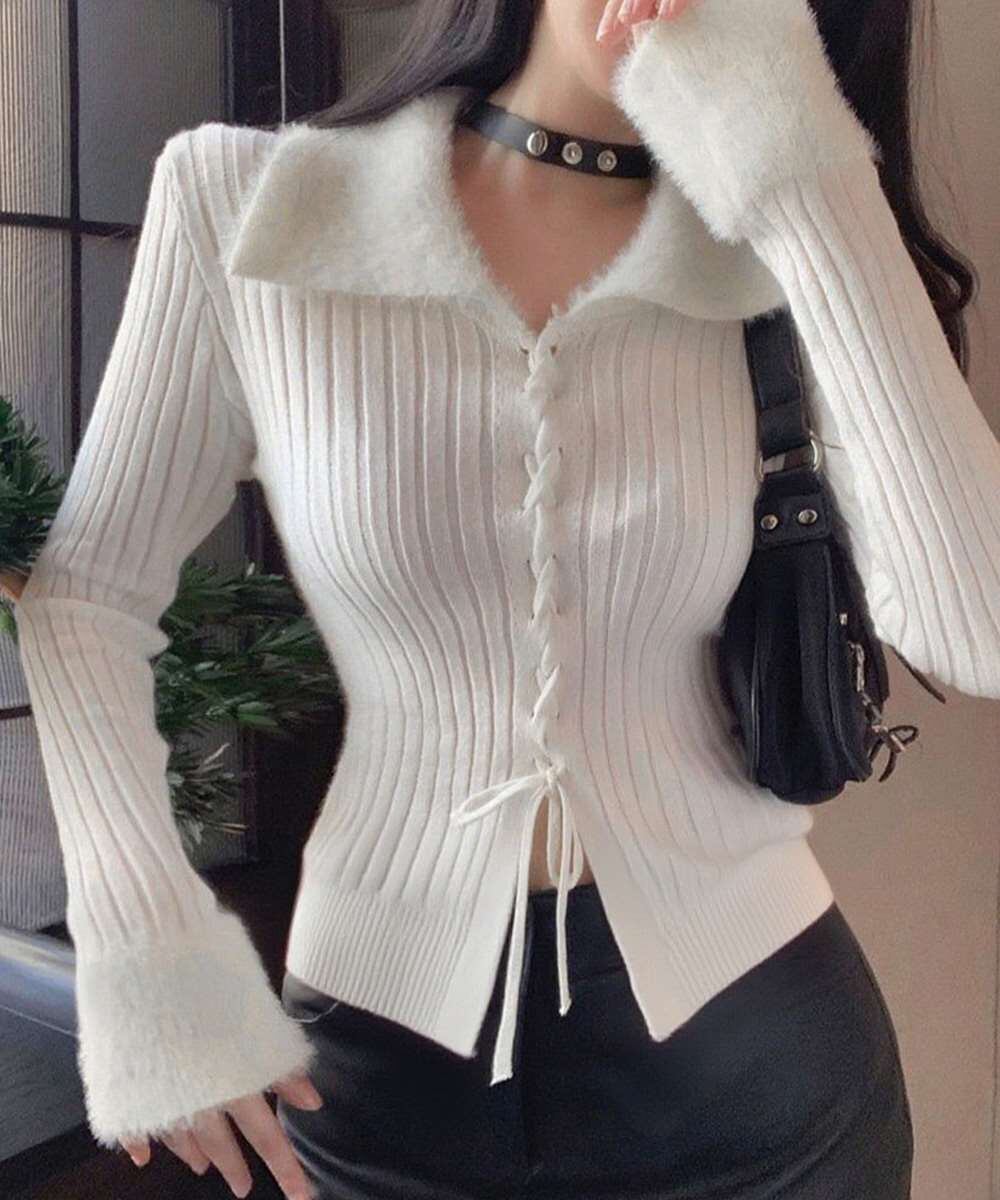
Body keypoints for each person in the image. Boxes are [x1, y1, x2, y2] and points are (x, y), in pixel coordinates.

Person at [12, 0, 1000, 1196]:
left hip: (762, 1075)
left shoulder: (783, 248)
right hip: (375, 1071)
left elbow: (975, 629)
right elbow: (89, 596)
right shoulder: (249, 202)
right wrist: (147, 957)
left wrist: (804, 180)